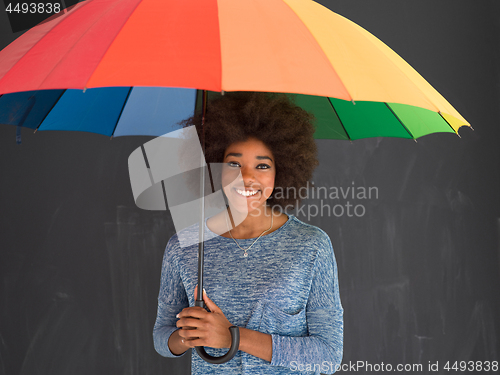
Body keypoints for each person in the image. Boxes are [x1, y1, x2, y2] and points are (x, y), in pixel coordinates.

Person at [153, 92, 343, 374]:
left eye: (262, 165)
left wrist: (233, 337)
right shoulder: (185, 246)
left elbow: (327, 357)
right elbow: (161, 337)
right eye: (233, 163)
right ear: (214, 166)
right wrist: (187, 335)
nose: (247, 177)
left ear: (282, 171)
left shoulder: (311, 246)